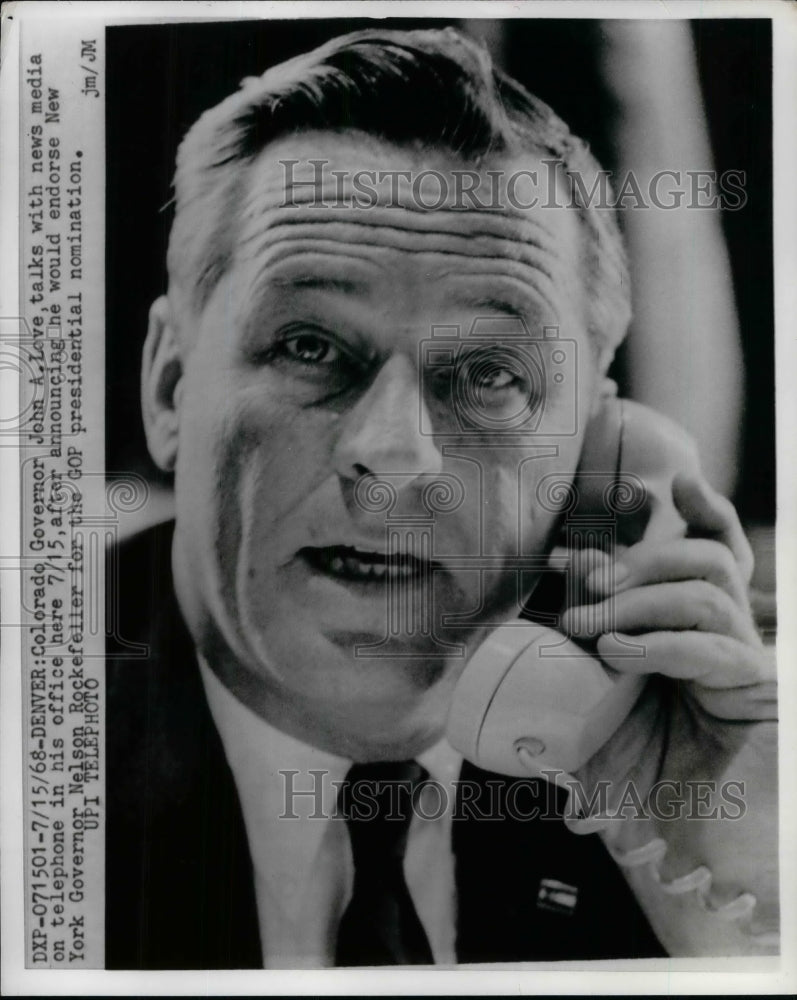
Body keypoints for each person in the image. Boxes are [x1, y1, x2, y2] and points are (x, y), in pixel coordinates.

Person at [105, 27, 776, 969]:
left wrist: (736, 892)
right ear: (171, 387)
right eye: (309, 346)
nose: (394, 456)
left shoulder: (703, 740)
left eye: (489, 373)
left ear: (595, 443)